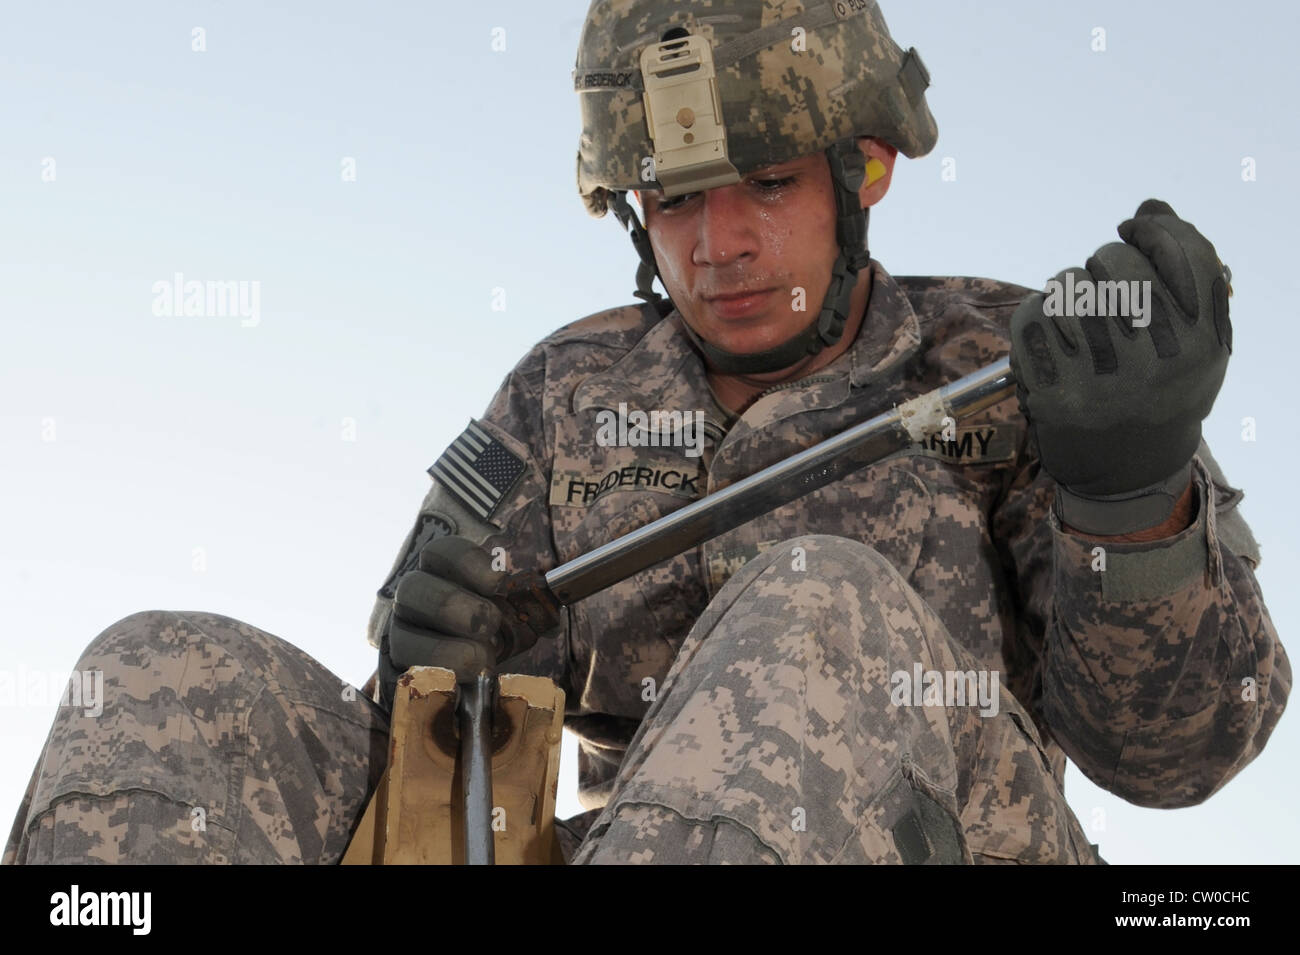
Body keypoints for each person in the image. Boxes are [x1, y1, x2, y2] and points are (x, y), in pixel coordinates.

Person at [5, 0, 1288, 865]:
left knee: (816, 603)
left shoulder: (1014, 369)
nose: (716, 246)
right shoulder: (564, 388)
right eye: (671, 202)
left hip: (941, 836)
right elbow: (413, 730)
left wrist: (1132, 500)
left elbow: (1182, 760)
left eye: (768, 186)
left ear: (864, 172)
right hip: (640, 843)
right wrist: (424, 655)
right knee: (164, 677)